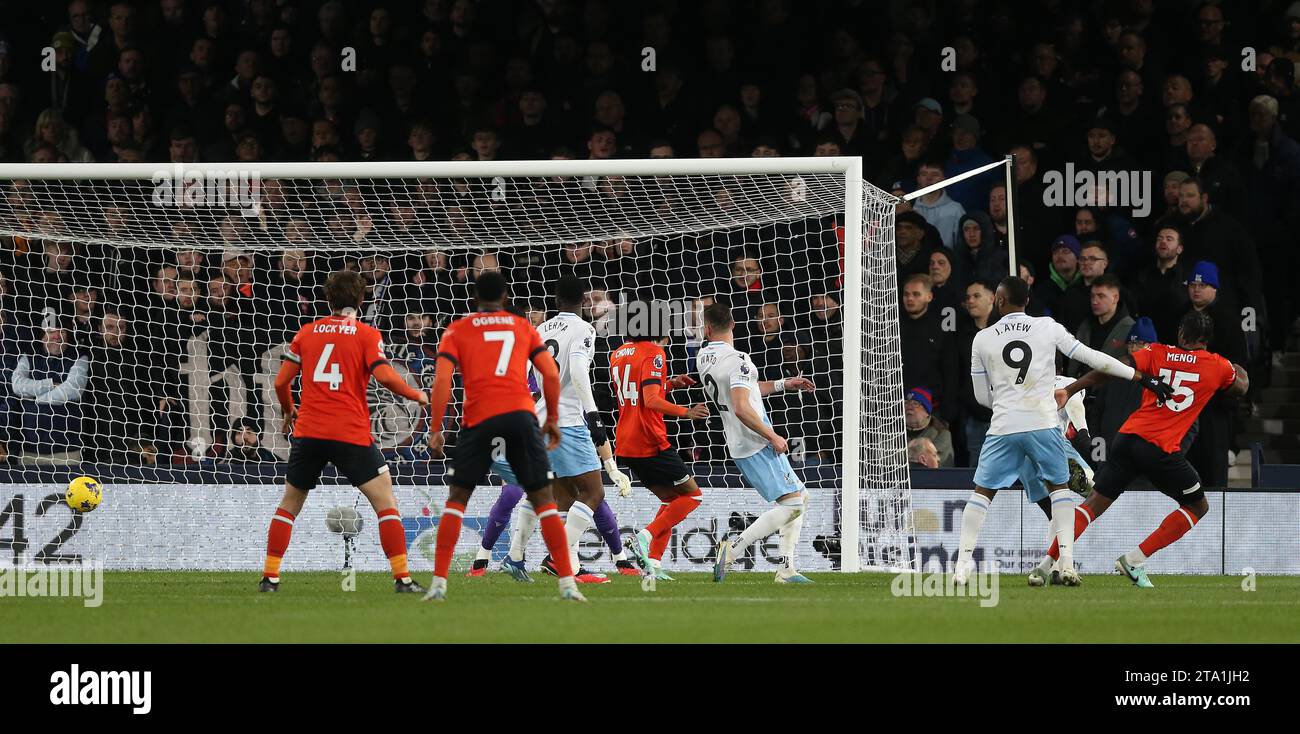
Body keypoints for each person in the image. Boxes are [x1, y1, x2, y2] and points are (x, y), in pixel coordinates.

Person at [953, 276, 1174, 587]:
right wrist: (1139, 376)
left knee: (982, 494)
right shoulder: (1047, 326)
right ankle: (1067, 564)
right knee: (1060, 489)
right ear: (1027, 302)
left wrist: (1006, 404)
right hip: (1043, 424)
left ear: (999, 302)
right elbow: (1092, 358)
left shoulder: (982, 338)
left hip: (1003, 426)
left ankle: (962, 567)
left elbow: (980, 396)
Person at [1034, 310, 1249, 588]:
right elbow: (1241, 386)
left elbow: (1112, 367)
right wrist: (1236, 367)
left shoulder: (1157, 352)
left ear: (1181, 333)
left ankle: (1044, 564)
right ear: (1207, 339)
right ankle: (1135, 559)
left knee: (1092, 505)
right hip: (1160, 449)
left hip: (1126, 439)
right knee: (1198, 506)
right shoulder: (1218, 366)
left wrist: (1073, 388)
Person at [260, 270, 430, 594]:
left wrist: (288, 410)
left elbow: (281, 382)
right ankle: (402, 578)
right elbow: (385, 376)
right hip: (349, 432)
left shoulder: (306, 333)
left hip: (309, 432)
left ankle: (270, 577)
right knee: (385, 502)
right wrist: (415, 394)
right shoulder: (366, 334)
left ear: (328, 299)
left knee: (289, 504)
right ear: (361, 299)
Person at [423, 271, 584, 602]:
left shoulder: (457, 329)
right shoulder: (523, 327)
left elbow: (442, 382)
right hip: (520, 419)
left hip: (478, 420)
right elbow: (550, 374)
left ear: (474, 298)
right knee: (543, 500)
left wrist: (436, 428)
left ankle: (438, 584)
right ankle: (567, 584)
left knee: (457, 500)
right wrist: (552, 417)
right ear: (506, 297)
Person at [473, 276, 637, 583]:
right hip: (568, 422)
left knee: (549, 492)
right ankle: (557, 554)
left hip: (537, 420)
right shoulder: (584, 329)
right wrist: (593, 415)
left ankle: (517, 557)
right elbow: (576, 371)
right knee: (593, 491)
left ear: (556, 300)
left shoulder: (540, 329)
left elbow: (521, 374)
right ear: (584, 301)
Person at [697, 304, 818, 584]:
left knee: (800, 496)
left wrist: (784, 384)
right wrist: (772, 436)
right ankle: (731, 550)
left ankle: (786, 569)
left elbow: (748, 388)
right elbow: (741, 406)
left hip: (738, 441)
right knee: (793, 505)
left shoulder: (704, 356)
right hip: (755, 441)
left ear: (707, 329)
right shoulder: (739, 359)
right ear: (734, 325)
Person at [610, 303, 711, 581]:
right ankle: (644, 536)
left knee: (670, 500)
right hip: (649, 439)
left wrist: (670, 383)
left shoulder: (617, 354)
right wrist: (686, 412)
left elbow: (636, 391)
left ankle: (652, 563)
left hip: (625, 441)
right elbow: (650, 400)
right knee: (693, 496)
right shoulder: (654, 353)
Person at [904, 387, 953, 467]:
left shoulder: (941, 433)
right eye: (906, 403)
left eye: (915, 403)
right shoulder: (892, 432)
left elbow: (935, 464)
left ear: (927, 412)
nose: (909, 407)